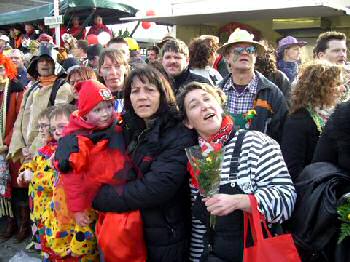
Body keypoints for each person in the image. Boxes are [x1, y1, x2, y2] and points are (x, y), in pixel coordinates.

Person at [175, 81, 296, 261]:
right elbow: (199, 227)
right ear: (188, 122)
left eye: (208, 99)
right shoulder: (196, 158)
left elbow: (286, 200)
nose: (204, 106)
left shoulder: (255, 142)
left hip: (254, 255)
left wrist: (241, 201)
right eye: (194, 105)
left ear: (219, 104)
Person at [92, 65, 197, 261]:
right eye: (135, 91)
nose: (142, 96)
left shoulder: (178, 133)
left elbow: (156, 188)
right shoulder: (125, 125)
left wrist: (100, 197)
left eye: (149, 90)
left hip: (163, 235)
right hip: (124, 232)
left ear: (162, 94)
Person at [54, 80, 147, 261]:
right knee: (114, 241)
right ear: (85, 114)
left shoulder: (116, 123)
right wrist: (78, 209)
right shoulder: (76, 140)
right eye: (97, 110)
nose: (105, 114)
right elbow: (71, 180)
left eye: (109, 107)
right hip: (102, 200)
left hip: (122, 193)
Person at [217, 28, 288, 142]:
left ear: (255, 55)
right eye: (238, 50)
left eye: (250, 50)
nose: (245, 53)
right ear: (227, 56)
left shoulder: (271, 93)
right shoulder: (215, 92)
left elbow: (282, 134)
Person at [281, 62, 345, 181]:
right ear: (319, 88)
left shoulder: (336, 116)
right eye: (337, 84)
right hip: (314, 190)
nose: (343, 89)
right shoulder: (298, 121)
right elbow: (293, 170)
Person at [17, 106, 54, 251]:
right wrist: (26, 169)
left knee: (51, 244)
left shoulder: (58, 151)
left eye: (44, 126)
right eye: (39, 126)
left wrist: (34, 177)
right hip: (37, 207)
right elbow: (34, 162)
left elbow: (55, 179)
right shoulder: (45, 147)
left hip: (50, 211)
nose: (40, 130)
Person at [0, 54, 25, 241]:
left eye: (1, 68)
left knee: (17, 187)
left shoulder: (17, 90)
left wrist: (6, 143)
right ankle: (9, 220)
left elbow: (20, 121)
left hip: (11, 147)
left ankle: (21, 224)